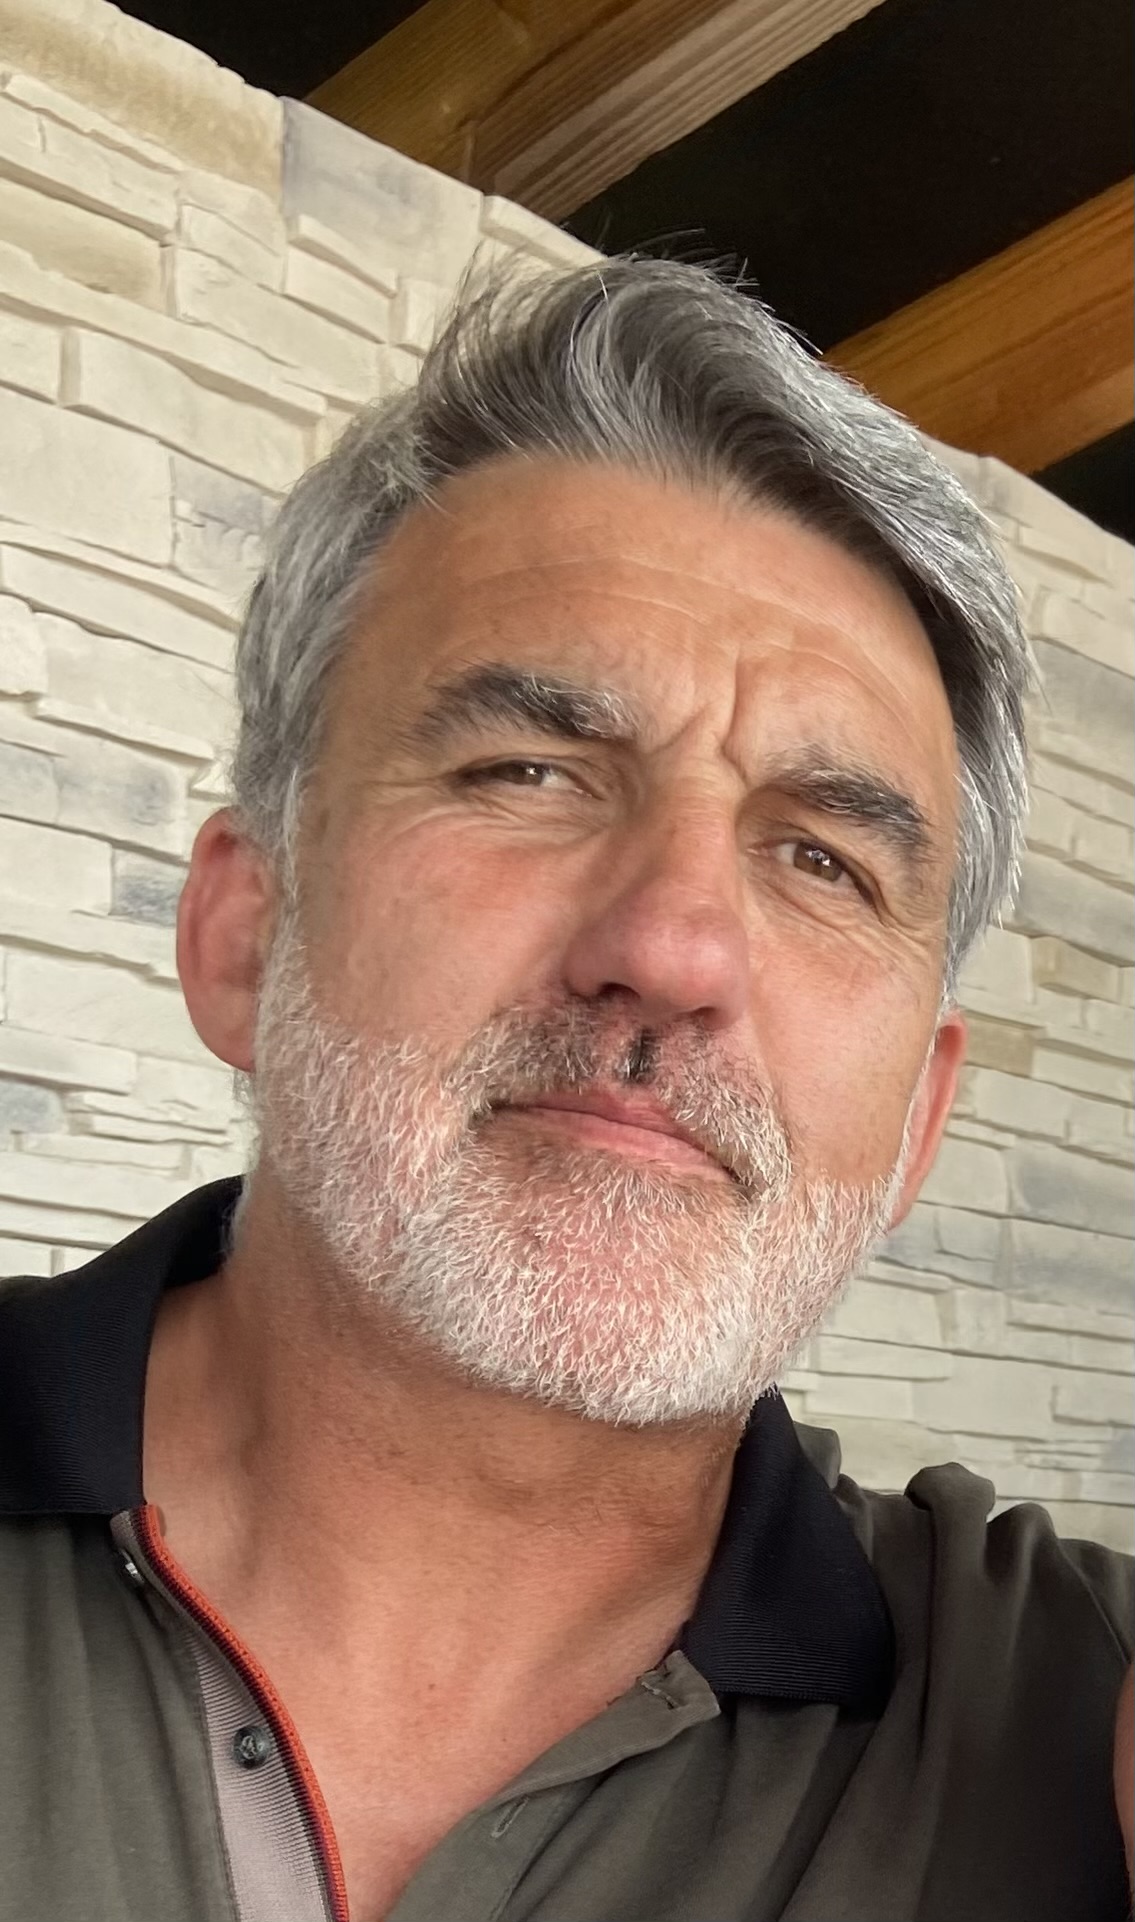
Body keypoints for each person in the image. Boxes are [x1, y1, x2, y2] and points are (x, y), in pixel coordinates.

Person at [0, 258, 1130, 1922]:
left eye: (823, 858)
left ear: (918, 1126)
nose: (673, 946)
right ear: (244, 931)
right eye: (529, 770)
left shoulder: (1081, 1716)